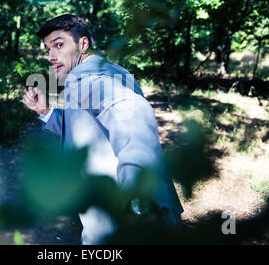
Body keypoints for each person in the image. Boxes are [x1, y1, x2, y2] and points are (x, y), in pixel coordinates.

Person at [22, 14, 183, 244]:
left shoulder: (82, 77)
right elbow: (84, 129)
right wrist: (46, 110)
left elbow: (134, 109)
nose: (51, 56)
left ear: (83, 43)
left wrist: (137, 201)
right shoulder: (112, 70)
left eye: (59, 45)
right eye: (48, 49)